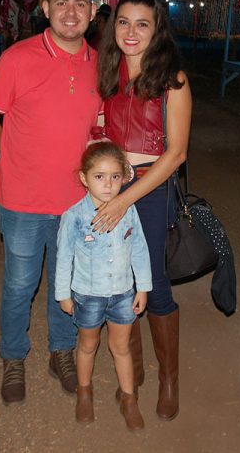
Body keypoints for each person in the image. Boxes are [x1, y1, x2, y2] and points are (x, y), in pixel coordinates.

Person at [0, 0, 100, 406]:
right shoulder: (18, 58)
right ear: (45, 8)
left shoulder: (100, 65)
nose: (71, 12)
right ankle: (13, 357)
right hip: (23, 202)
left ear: (93, 12)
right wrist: (16, 158)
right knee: (20, 286)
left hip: (76, 205)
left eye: (80, 3)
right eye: (61, 2)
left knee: (68, 285)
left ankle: (60, 352)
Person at [93, 0, 192, 421]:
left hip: (151, 190)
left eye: (142, 24)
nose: (131, 32)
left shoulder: (174, 80)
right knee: (119, 283)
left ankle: (170, 380)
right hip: (111, 187)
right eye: (123, 22)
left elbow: (176, 154)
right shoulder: (108, 72)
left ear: (157, 30)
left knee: (153, 284)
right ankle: (132, 374)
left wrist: (126, 199)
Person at [55, 141, 152, 429]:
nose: (108, 184)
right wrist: (63, 294)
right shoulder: (74, 217)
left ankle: (129, 399)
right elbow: (64, 258)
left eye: (115, 176)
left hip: (123, 294)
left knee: (121, 347)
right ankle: (84, 393)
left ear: (124, 178)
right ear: (84, 178)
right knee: (88, 344)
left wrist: (143, 287)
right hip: (88, 296)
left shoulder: (129, 211)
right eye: (99, 176)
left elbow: (139, 248)